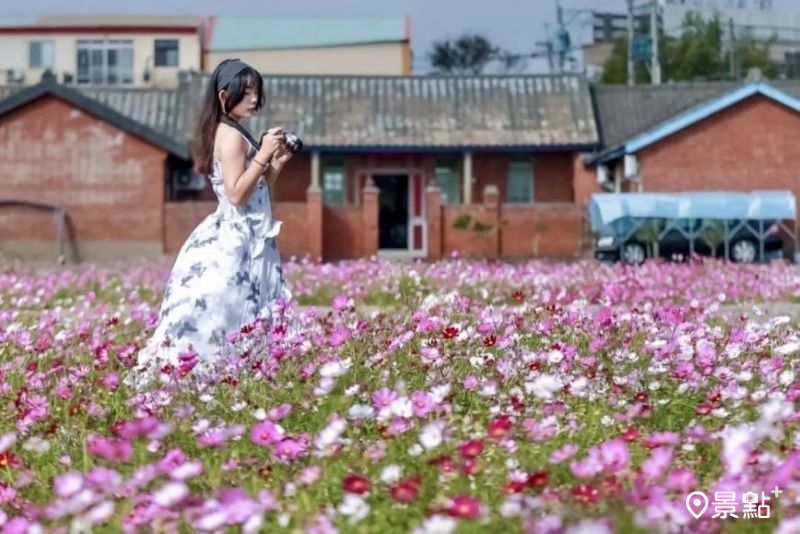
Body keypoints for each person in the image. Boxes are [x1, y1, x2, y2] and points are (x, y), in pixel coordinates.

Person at [131, 58, 293, 384]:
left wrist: (274, 164)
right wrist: (262, 154)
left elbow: (258, 193)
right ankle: (207, 375)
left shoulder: (233, 131)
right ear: (223, 95)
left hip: (247, 232)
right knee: (226, 311)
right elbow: (235, 195)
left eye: (256, 92)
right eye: (245, 92)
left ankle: (228, 374)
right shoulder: (231, 136)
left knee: (234, 310)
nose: (253, 99)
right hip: (236, 239)